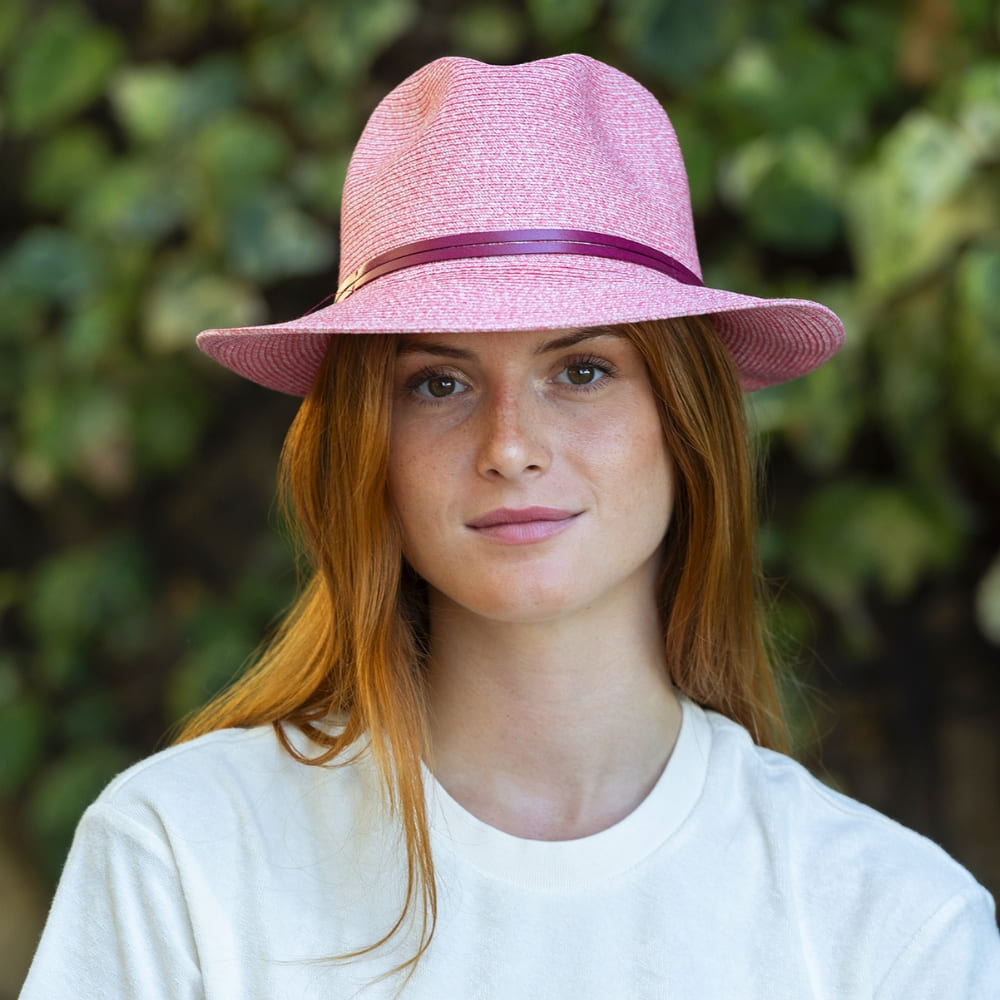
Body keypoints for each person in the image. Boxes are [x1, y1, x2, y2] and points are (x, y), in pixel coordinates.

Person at [19, 54, 1000, 999]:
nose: (510, 446)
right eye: (438, 383)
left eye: (580, 371)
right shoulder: (183, 858)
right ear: (368, 446)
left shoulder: (888, 924)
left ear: (684, 417)